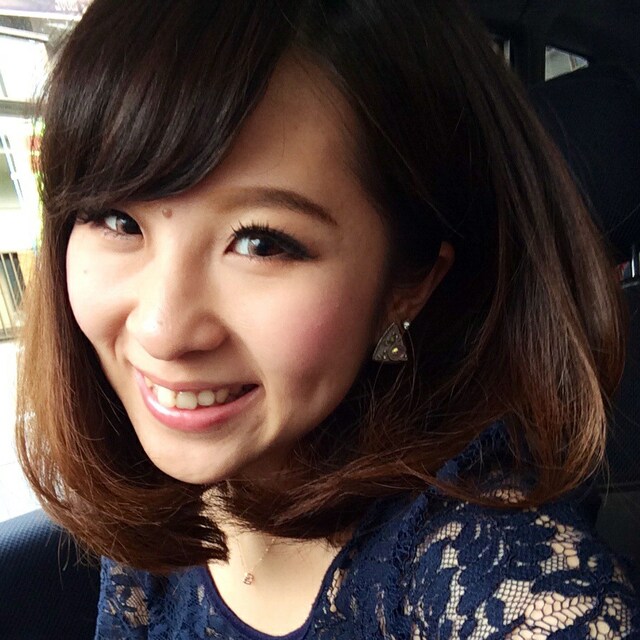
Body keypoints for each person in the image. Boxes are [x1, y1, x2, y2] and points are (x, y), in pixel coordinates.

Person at [15, 0, 640, 637]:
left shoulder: (490, 570)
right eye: (119, 221)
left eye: (260, 242)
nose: (161, 330)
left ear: (408, 283)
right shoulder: (157, 490)